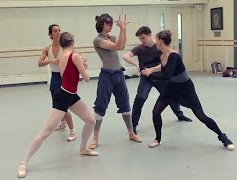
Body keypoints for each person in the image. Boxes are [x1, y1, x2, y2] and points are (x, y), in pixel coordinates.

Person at [18, 32, 99, 178]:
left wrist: (80, 66)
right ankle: (24, 162)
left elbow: (67, 76)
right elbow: (86, 78)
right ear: (72, 42)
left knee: (90, 121)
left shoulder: (62, 57)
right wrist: (85, 66)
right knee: (46, 132)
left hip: (70, 95)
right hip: (63, 97)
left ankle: (83, 148)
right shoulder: (74, 56)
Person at [141, 30, 234, 151]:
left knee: (201, 116)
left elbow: (167, 75)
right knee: (156, 112)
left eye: (156, 40)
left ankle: (224, 138)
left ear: (161, 41)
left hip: (186, 89)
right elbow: (163, 67)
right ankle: (158, 139)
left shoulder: (174, 56)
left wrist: (150, 75)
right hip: (171, 88)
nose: (155, 42)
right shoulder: (162, 55)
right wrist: (150, 70)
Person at [123, 26, 192, 135]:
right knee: (140, 99)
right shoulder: (139, 48)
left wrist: (153, 69)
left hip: (160, 77)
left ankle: (179, 114)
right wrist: (135, 63)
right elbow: (126, 56)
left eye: (143, 38)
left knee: (171, 97)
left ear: (149, 35)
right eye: (140, 39)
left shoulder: (159, 47)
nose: (142, 41)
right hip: (146, 78)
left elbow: (166, 61)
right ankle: (134, 125)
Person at [89, 13, 141, 150]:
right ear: (102, 24)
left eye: (112, 23)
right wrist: (122, 29)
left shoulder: (111, 37)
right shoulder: (98, 40)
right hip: (107, 76)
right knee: (100, 106)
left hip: (119, 74)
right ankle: (95, 138)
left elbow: (122, 45)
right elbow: (118, 46)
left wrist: (124, 29)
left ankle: (131, 133)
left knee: (125, 104)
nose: (111, 25)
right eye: (108, 23)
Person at [38, 24, 76, 141]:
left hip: (65, 78)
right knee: (56, 103)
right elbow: (40, 63)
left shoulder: (66, 47)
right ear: (50, 34)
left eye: (59, 30)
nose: (58, 32)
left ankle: (72, 130)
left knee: (63, 107)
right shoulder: (47, 49)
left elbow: (76, 56)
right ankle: (63, 123)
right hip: (54, 78)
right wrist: (51, 60)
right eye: (55, 31)